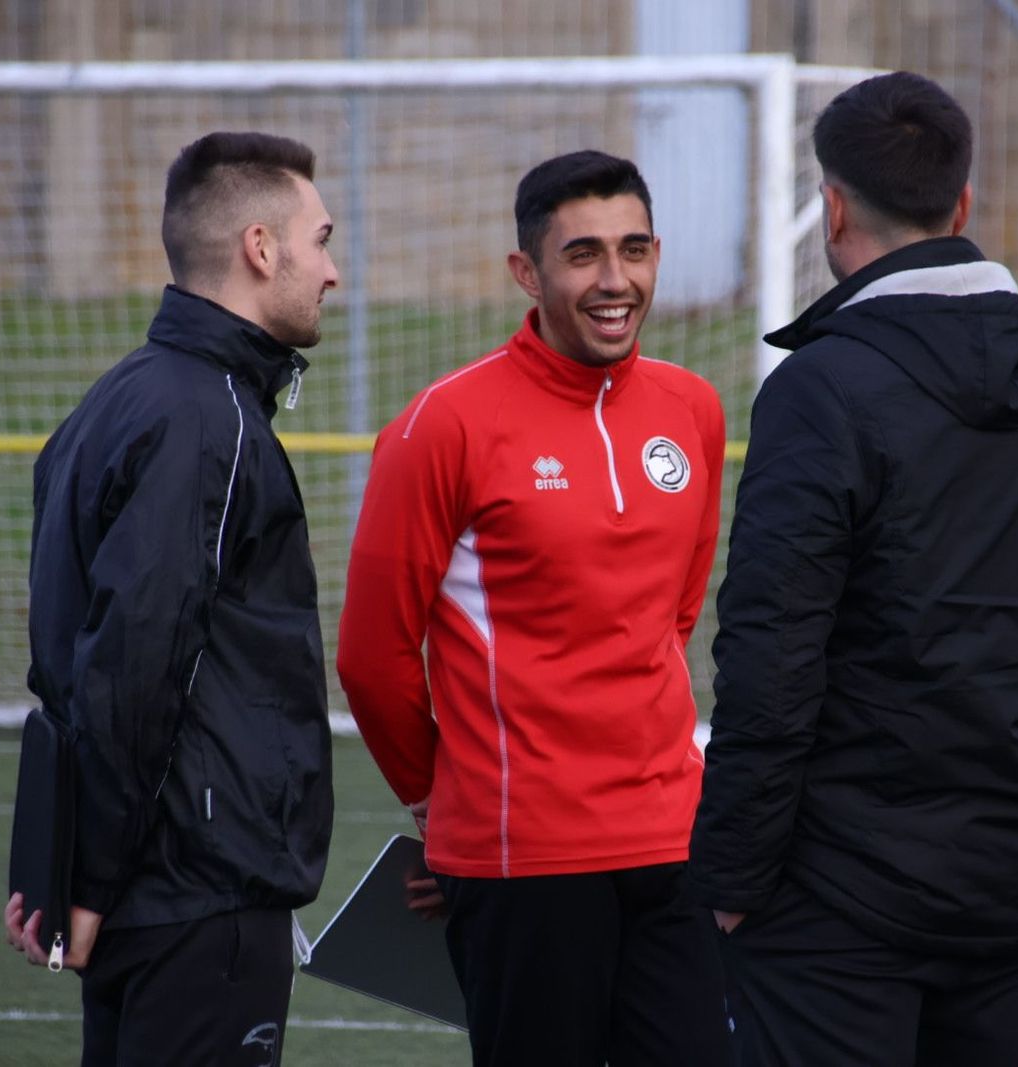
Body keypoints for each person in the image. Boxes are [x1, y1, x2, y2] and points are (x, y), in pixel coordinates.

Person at [689, 72, 1018, 1066]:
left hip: (832, 901)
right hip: (1002, 886)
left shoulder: (819, 389)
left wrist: (731, 874)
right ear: (961, 205)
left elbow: (771, 659)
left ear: (833, 205)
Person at [337, 150, 730, 1067]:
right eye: (583, 254)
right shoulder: (445, 425)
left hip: (673, 843)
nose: (615, 281)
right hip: (523, 858)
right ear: (528, 271)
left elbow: (672, 615)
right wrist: (441, 798)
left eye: (634, 250)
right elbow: (371, 652)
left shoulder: (694, 409)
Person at [3, 131, 337, 1066]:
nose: (334, 270)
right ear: (260, 248)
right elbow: (134, 660)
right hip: (196, 895)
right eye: (321, 239)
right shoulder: (207, 417)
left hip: (150, 887)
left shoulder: (117, 399)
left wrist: (67, 865)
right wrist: (94, 882)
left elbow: (71, 662)